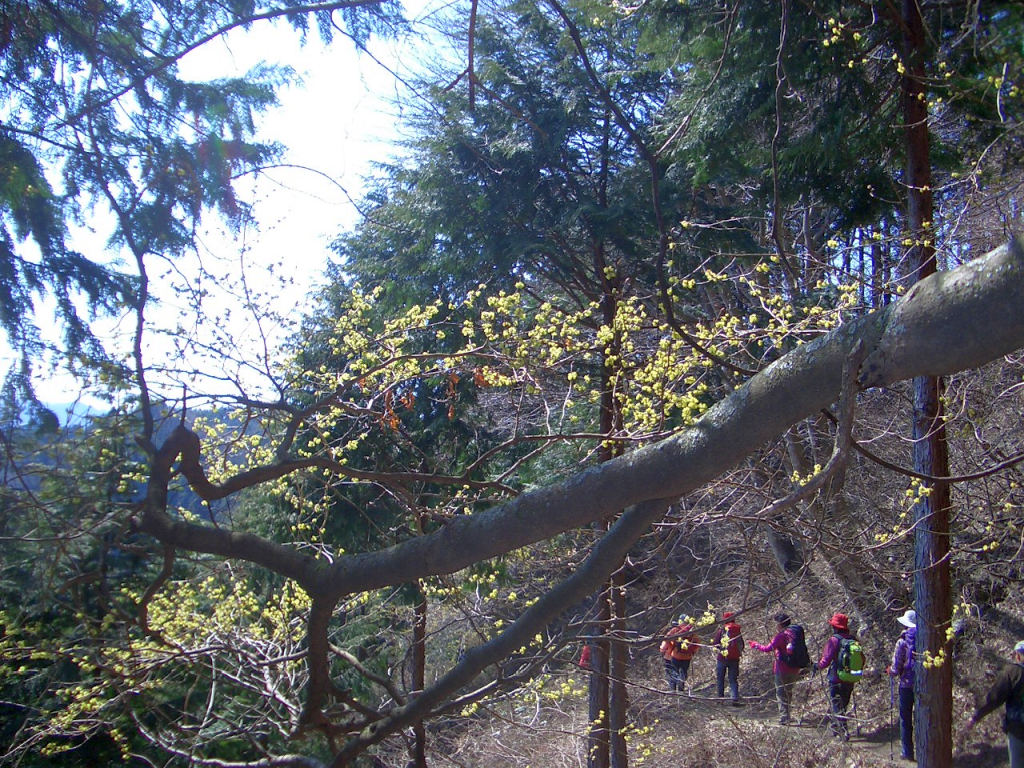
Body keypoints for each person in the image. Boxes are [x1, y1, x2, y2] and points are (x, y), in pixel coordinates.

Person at [965, 640, 1024, 768]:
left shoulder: (1013, 673)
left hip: (1018, 730)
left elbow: (994, 698)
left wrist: (976, 716)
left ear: (1018, 656)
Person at [750, 612, 804, 725]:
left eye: (776, 624)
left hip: (782, 669)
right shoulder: (794, 635)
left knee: (781, 693)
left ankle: (785, 717)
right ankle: (788, 715)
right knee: (788, 692)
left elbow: (767, 648)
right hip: (795, 669)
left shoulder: (781, 636)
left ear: (780, 624)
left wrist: (755, 645)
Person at [815, 612, 856, 740]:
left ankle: (843, 732)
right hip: (850, 678)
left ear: (836, 627)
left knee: (836, 705)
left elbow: (826, 660)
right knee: (843, 704)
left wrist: (817, 666)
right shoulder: (853, 640)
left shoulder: (834, 640)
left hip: (836, 677)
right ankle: (835, 728)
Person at [888, 609, 917, 761]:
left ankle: (907, 752)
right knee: (920, 718)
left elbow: (896, 667)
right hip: (922, 686)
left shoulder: (902, 641)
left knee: (905, 719)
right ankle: (924, 750)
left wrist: (891, 671)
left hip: (906, 685)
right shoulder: (926, 639)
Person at [660, 615, 700, 693]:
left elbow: (666, 640)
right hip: (687, 657)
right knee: (684, 671)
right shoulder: (692, 631)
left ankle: (673, 690)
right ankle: (681, 690)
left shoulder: (675, 630)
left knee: (673, 672)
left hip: (675, 655)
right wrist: (693, 652)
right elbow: (697, 643)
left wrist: (664, 649)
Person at [711, 610, 744, 705]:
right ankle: (734, 698)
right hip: (735, 658)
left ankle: (720, 699)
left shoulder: (722, 631)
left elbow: (715, 644)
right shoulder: (737, 631)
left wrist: (722, 649)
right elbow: (742, 644)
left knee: (720, 678)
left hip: (722, 658)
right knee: (733, 679)